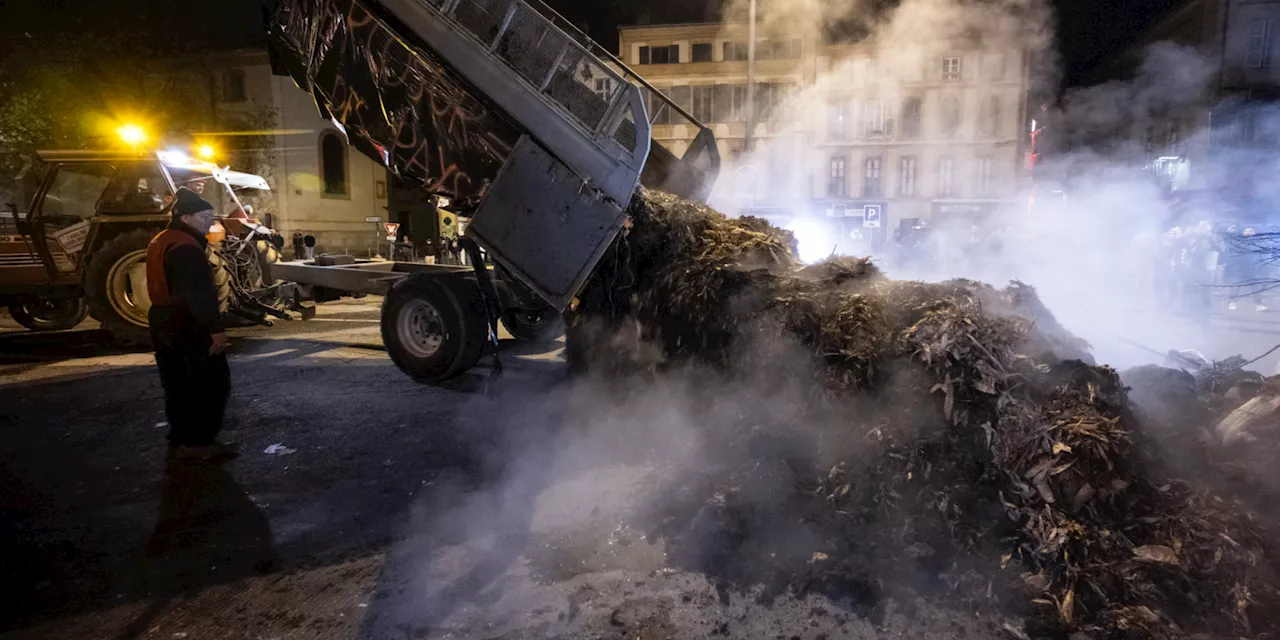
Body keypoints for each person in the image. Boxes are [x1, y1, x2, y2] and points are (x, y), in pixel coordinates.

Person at [146, 187, 236, 460]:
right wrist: (215, 331)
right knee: (207, 384)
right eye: (204, 216)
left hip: (164, 320)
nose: (210, 221)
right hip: (187, 323)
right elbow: (197, 295)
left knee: (177, 383)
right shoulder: (186, 248)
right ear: (186, 218)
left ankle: (181, 437)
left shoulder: (164, 239)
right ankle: (199, 443)